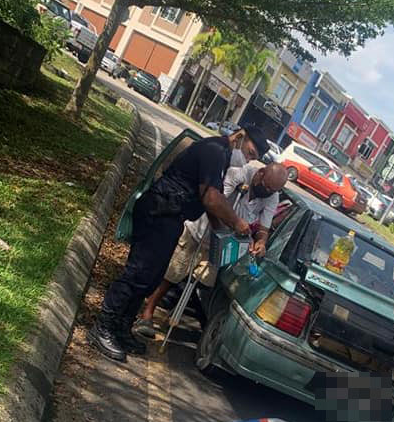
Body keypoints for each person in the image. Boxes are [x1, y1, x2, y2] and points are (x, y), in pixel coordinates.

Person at [90, 124, 269, 362]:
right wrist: (237, 222)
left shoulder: (222, 156)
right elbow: (212, 198)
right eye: (250, 153)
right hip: (159, 211)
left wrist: (220, 231)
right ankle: (102, 326)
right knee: (137, 273)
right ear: (239, 137)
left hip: (172, 217)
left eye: (253, 158)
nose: (247, 160)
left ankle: (122, 327)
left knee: (150, 278)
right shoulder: (215, 150)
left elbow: (208, 200)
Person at [135, 161, 288, 336]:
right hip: (200, 232)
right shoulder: (236, 175)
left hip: (223, 243)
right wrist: (233, 224)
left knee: (200, 279)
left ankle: (173, 316)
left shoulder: (272, 196)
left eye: (272, 191)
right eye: (266, 187)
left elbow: (264, 227)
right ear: (261, 173)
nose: (267, 192)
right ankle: (147, 312)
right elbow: (212, 203)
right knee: (173, 273)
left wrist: (261, 241)